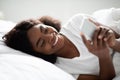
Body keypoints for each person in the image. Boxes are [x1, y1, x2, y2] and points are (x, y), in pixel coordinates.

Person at [2, 9, 120, 80]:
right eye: (42, 43)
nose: (50, 36)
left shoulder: (77, 23)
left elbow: (115, 35)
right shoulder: (63, 69)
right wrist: (103, 57)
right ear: (39, 54)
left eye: (44, 29)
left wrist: (112, 42)